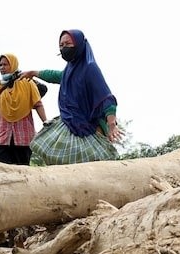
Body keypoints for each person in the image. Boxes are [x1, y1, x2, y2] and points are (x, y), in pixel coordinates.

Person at [20, 30, 120, 165]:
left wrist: (112, 124)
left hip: (88, 128)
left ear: (79, 44)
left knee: (90, 166)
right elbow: (56, 76)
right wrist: (34, 73)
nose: (63, 48)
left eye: (67, 43)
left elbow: (106, 98)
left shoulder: (90, 68)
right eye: (61, 45)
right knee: (49, 151)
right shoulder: (70, 69)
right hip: (69, 123)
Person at [0, 53, 46, 165]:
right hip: (1, 139)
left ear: (13, 65)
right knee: (0, 174)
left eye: (5, 64)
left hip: (23, 138)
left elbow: (38, 104)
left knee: (22, 174)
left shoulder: (27, 83)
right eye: (0, 65)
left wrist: (46, 123)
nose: (2, 68)